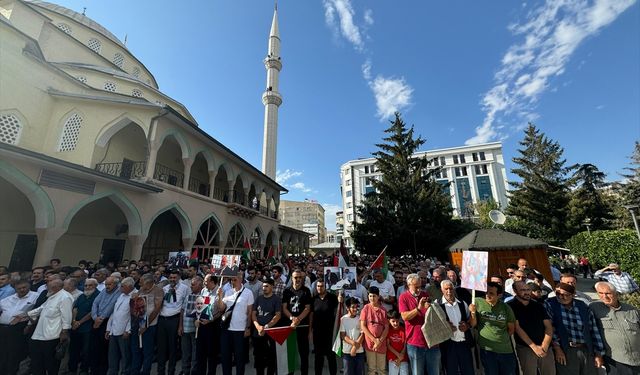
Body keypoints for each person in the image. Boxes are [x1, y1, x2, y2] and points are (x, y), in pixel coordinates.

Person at [545, 282, 605, 375]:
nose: (561, 297)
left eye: (566, 295)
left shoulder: (582, 306)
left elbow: (593, 329)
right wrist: (557, 348)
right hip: (565, 349)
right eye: (558, 294)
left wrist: (598, 353)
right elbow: (551, 328)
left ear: (573, 295)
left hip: (585, 348)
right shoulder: (550, 304)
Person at [590, 281, 640, 375]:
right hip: (615, 360)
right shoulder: (593, 308)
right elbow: (591, 333)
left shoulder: (631, 309)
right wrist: (597, 355)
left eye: (608, 293)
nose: (604, 296)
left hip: (637, 357)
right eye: (600, 293)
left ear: (616, 294)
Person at [27, 278, 73, 375]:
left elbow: (67, 316)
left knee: (51, 364)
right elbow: (40, 309)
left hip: (53, 335)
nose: (47, 289)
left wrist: (64, 332)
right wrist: (26, 315)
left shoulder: (65, 297)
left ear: (55, 287)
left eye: (49, 287)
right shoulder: (52, 296)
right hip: (39, 334)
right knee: (37, 363)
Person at [469, 281, 517, 375]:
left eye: (491, 293)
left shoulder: (506, 308)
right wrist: (473, 313)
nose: (487, 295)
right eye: (486, 292)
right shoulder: (477, 302)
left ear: (499, 295)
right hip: (487, 350)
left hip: (505, 350)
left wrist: (501, 338)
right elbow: (473, 324)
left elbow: (511, 328)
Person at [507, 281, 555, 375]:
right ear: (515, 291)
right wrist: (534, 347)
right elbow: (517, 328)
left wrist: (544, 346)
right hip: (526, 348)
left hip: (545, 347)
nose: (527, 292)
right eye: (523, 290)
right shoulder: (510, 306)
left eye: (528, 289)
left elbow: (548, 326)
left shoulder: (538, 305)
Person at [398, 273, 439, 375]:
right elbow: (404, 317)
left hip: (431, 342)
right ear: (408, 285)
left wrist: (431, 307)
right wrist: (418, 309)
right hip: (415, 342)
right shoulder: (403, 297)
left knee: (434, 372)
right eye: (416, 287)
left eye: (420, 287)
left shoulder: (425, 295)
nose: (418, 290)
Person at [217, 271, 254, 375]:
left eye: (235, 279)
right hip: (226, 330)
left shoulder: (248, 293)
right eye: (231, 280)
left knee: (239, 359)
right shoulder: (228, 292)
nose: (233, 281)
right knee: (225, 357)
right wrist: (220, 296)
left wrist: (248, 327)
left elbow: (250, 312)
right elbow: (221, 309)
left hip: (240, 330)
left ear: (241, 279)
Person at [0, 279, 38, 375]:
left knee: (14, 353)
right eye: (19, 288)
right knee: (2, 351)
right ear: (15, 289)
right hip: (3, 327)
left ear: (28, 286)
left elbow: (37, 312)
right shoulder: (9, 298)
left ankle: (11, 372)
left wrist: (28, 323)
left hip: (19, 328)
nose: (22, 290)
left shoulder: (35, 296)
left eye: (24, 287)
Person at [438, 280, 474, 375]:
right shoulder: (437, 305)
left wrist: (467, 325)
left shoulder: (463, 303)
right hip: (448, 345)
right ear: (441, 290)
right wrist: (445, 327)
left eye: (451, 288)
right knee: (451, 371)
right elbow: (434, 326)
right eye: (446, 289)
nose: (449, 291)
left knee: (468, 371)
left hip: (464, 343)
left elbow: (470, 321)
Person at [157, 269, 190, 375]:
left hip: (174, 319)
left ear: (179, 277)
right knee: (161, 348)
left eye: (174, 277)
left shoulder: (185, 289)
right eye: (171, 277)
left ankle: (171, 371)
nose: (172, 279)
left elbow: (184, 307)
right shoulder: (165, 288)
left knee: (172, 348)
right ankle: (160, 371)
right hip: (162, 319)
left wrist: (181, 325)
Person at [130, 273, 163, 375]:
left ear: (148, 282)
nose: (139, 284)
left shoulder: (158, 290)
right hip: (138, 323)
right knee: (136, 350)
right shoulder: (140, 290)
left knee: (147, 352)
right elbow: (135, 307)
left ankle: (145, 372)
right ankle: (135, 371)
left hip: (150, 325)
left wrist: (146, 324)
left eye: (141, 282)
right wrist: (133, 299)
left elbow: (157, 308)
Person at [281, 269, 312, 375]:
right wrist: (292, 319)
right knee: (291, 352)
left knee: (304, 353)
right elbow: (284, 308)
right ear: (291, 278)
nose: (298, 279)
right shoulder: (287, 291)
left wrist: (298, 319)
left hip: (302, 326)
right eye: (296, 277)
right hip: (290, 326)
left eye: (300, 277)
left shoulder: (306, 291)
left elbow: (307, 308)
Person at [91, 276, 121, 375]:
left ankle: (102, 371)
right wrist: (95, 317)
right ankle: (94, 370)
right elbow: (95, 302)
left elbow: (111, 306)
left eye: (109, 284)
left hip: (107, 322)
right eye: (106, 284)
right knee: (95, 347)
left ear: (115, 284)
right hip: (97, 319)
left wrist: (100, 319)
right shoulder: (104, 291)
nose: (107, 286)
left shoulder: (118, 292)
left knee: (104, 348)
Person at [69, 278, 99, 375]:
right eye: (86, 285)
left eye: (90, 285)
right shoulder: (82, 295)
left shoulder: (98, 295)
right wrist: (74, 321)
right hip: (76, 326)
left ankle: (84, 369)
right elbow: (75, 308)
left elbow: (92, 312)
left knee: (86, 350)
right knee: (74, 349)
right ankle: (72, 369)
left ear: (95, 286)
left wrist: (80, 322)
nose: (87, 287)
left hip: (88, 327)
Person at [252, 277, 281, 375]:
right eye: (263, 286)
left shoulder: (276, 299)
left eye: (266, 286)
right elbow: (253, 314)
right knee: (258, 359)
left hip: (270, 333)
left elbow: (278, 315)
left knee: (271, 359)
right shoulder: (258, 298)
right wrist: (258, 327)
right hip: (258, 333)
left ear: (272, 287)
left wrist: (267, 326)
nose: (264, 288)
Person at [310, 280, 339, 375]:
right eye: (318, 286)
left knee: (331, 356)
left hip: (330, 332)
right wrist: (310, 330)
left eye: (321, 286)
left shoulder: (333, 298)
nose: (319, 288)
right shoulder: (313, 299)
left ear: (325, 287)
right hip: (317, 332)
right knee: (318, 357)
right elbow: (311, 315)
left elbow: (339, 311)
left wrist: (340, 300)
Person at [106, 277, 135, 375]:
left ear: (130, 287)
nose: (120, 288)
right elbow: (114, 312)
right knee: (112, 356)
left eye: (122, 286)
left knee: (125, 356)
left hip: (124, 331)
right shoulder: (121, 296)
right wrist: (108, 329)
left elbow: (133, 316)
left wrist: (128, 330)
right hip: (114, 330)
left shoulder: (135, 296)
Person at [360, 286, 388, 375]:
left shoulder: (383, 310)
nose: (372, 298)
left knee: (382, 369)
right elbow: (363, 326)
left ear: (378, 296)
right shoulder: (365, 308)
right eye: (370, 296)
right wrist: (374, 340)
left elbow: (386, 327)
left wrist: (379, 341)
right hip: (370, 343)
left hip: (381, 343)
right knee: (371, 369)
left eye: (374, 296)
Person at [197, 274, 221, 375]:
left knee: (212, 353)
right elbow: (200, 306)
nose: (204, 283)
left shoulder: (219, 292)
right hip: (202, 324)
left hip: (213, 325)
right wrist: (197, 318)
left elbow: (221, 311)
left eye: (206, 281)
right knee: (201, 352)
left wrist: (211, 320)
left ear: (212, 282)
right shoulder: (204, 291)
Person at [181, 276, 204, 375]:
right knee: (186, 353)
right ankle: (185, 371)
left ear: (199, 285)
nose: (191, 286)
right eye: (191, 284)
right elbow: (182, 311)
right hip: (185, 329)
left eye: (193, 285)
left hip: (196, 330)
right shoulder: (188, 296)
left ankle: (193, 372)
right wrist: (180, 326)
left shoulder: (203, 297)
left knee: (195, 354)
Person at [340, 298, 365, 375]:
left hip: (359, 352)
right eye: (353, 307)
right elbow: (343, 335)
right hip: (347, 352)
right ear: (347, 308)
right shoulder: (343, 319)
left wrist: (354, 348)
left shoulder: (360, 319)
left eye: (356, 307)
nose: (355, 309)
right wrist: (354, 344)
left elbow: (362, 334)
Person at [386, 310, 408, 375]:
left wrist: (400, 358)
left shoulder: (403, 330)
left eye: (397, 321)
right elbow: (388, 345)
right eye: (393, 321)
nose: (395, 323)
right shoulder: (388, 331)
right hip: (392, 359)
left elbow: (405, 345)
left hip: (403, 358)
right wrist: (398, 356)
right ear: (388, 321)